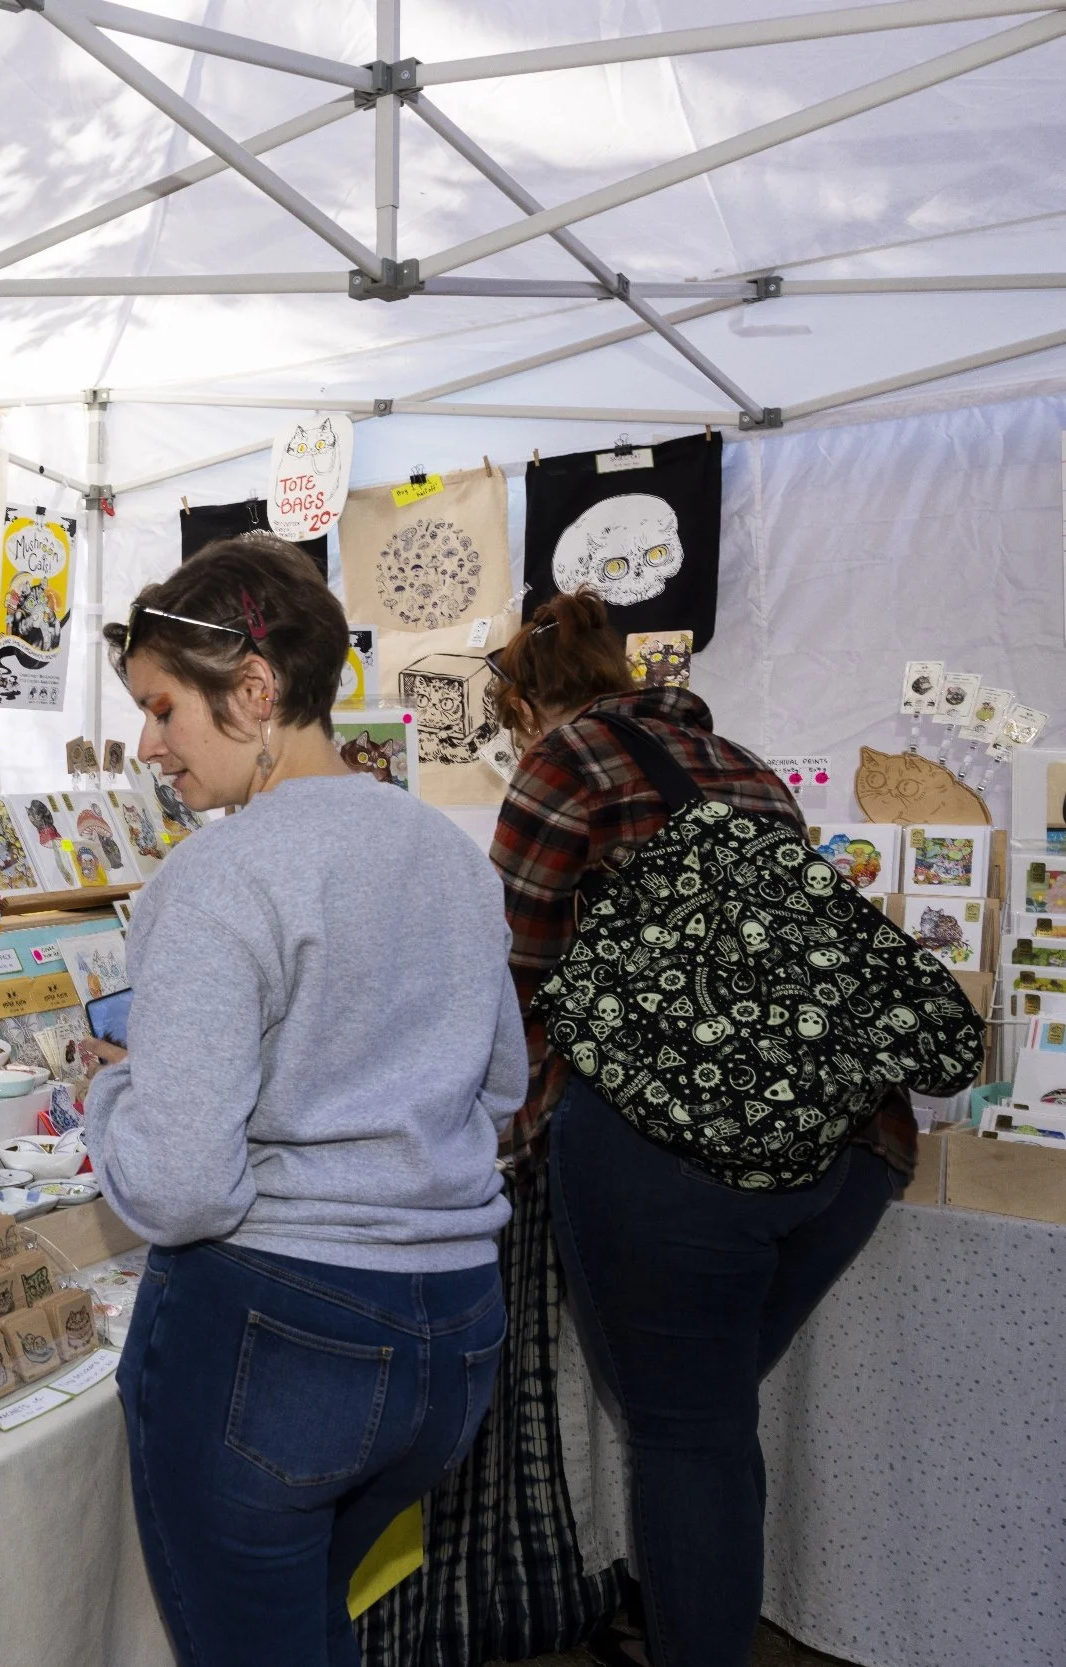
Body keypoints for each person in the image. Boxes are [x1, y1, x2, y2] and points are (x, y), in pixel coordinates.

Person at [81, 536, 524, 1667]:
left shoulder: (220, 875)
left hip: (278, 1335)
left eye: (163, 707)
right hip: (455, 1334)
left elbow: (179, 1186)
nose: (148, 746)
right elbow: (503, 1084)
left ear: (256, 690)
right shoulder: (451, 854)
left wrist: (114, 1095)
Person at [488, 590, 910, 1667]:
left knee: (685, 1428)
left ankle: (692, 1632)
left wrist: (510, 1140)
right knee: (704, 1415)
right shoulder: (745, 765)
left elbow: (511, 981)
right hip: (849, 1140)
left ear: (527, 702)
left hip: (675, 1154)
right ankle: (682, 1609)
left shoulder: (564, 759)